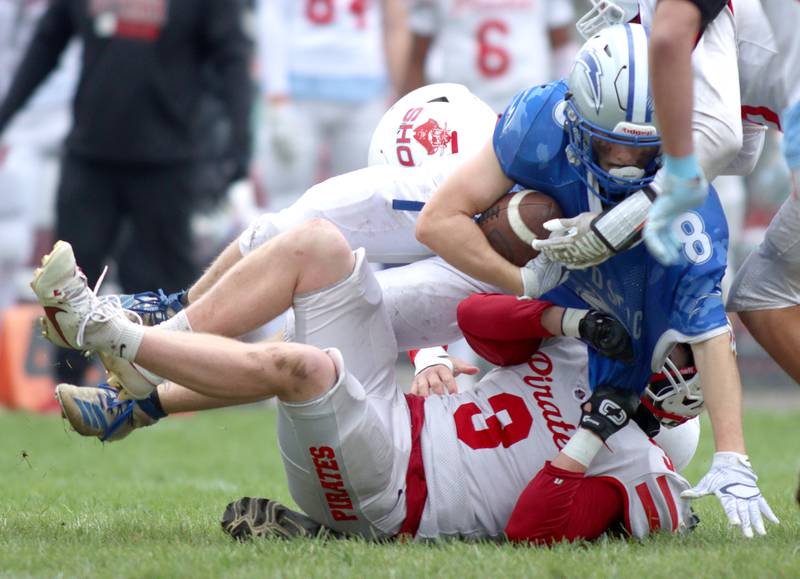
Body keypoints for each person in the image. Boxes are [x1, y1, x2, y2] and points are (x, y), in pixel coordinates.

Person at [33, 229, 701, 543]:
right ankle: (146, 370)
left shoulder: (641, 468)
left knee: (303, 367)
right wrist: (568, 318)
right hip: (393, 411)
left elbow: (532, 530)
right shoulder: (583, 351)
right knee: (316, 245)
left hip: (392, 495)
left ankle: (107, 334)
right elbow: (476, 318)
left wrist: (589, 435)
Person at [415, 23, 778, 538]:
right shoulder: (542, 121)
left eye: (645, 150)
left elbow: (711, 336)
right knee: (426, 248)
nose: (629, 164)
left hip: (582, 370)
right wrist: (525, 278)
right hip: (542, 313)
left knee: (663, 446)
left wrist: (732, 455)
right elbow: (436, 222)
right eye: (613, 147)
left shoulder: (692, 225)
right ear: (578, 120)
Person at [0, 0, 253, 386]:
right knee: (69, 272)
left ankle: (170, 387)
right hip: (91, 151)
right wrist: (6, 114)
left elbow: (232, 57)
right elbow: (46, 44)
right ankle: (62, 385)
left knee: (161, 280)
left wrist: (239, 137)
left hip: (168, 156)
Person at [256, 0, 409, 208]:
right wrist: (276, 92)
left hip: (365, 91)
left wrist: (397, 92)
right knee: (286, 198)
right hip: (297, 92)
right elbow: (272, 15)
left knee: (362, 199)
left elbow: (395, 21)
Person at [402, 0, 576, 114]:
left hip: (530, 108)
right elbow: (418, 58)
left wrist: (570, 105)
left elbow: (561, 48)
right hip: (462, 111)